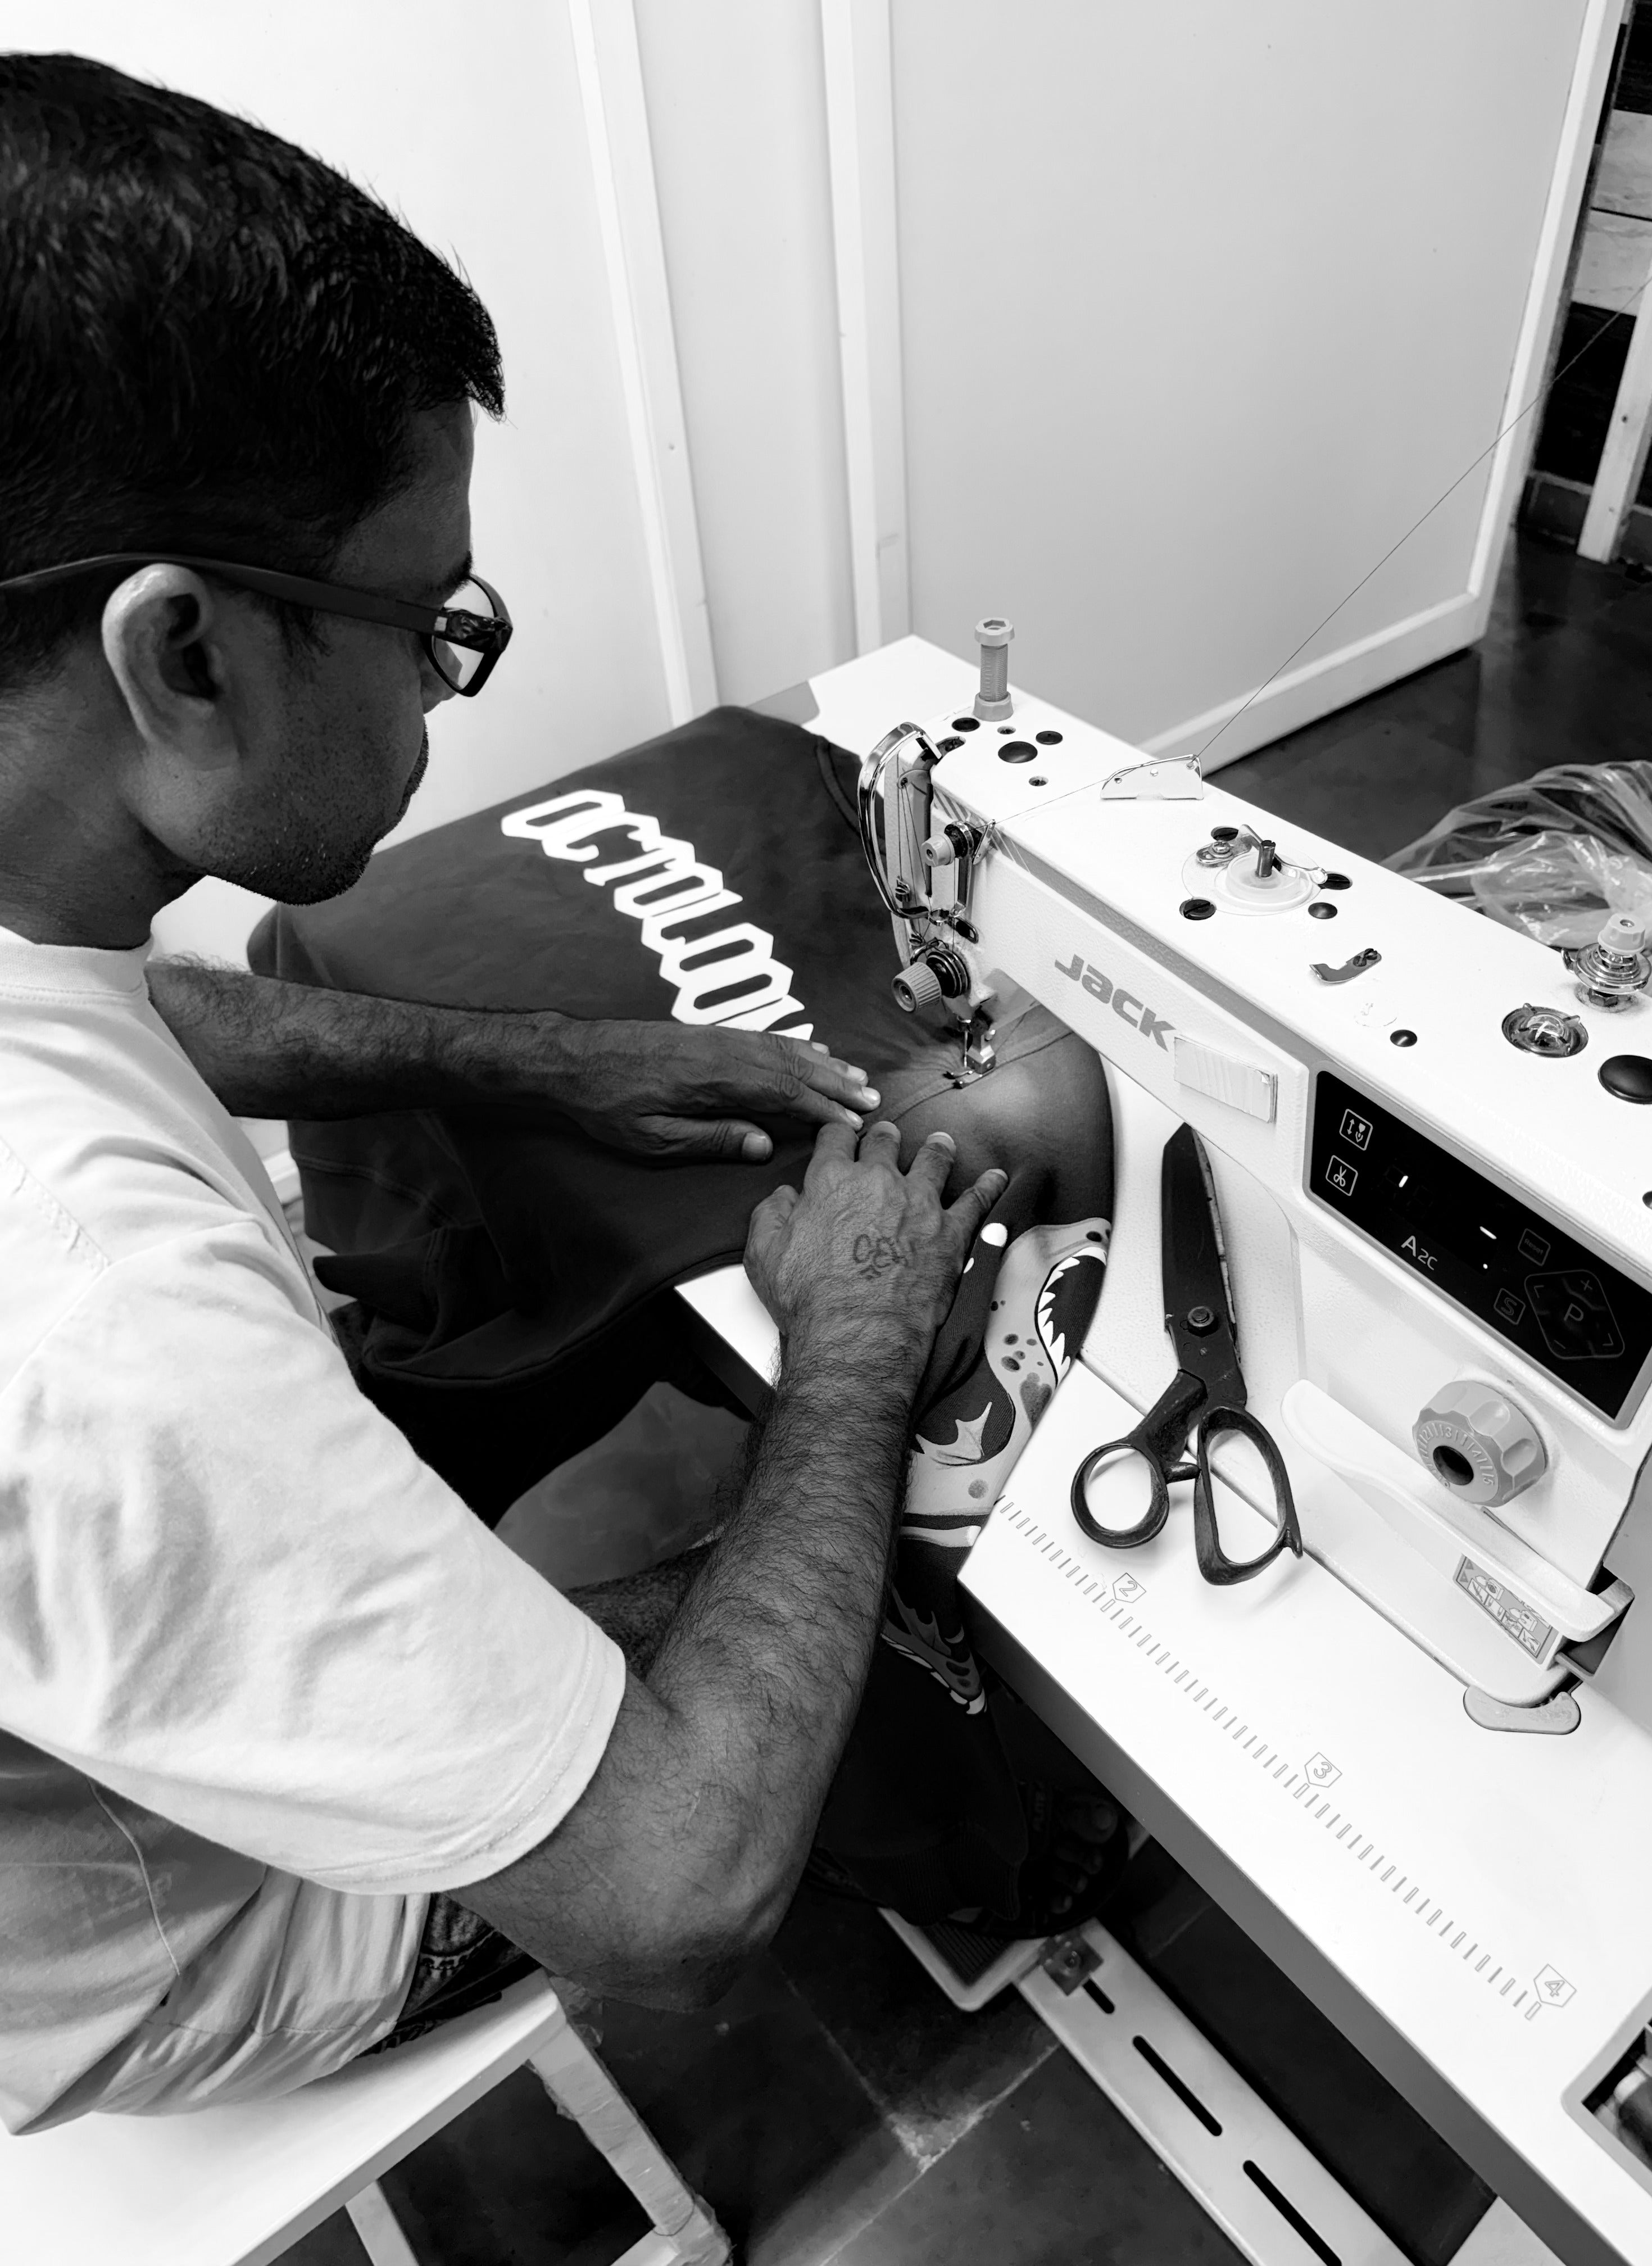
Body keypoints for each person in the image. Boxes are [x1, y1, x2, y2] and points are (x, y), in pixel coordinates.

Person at [0, 54, 1118, 2131]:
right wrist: (856, 1366)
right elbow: (669, 1897)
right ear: (184, 660)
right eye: (433, 622)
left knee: (564, 1329)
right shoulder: (93, 1327)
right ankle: (1011, 1856)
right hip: (190, 1936)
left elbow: (123, 1015)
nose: (443, 674)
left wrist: (548, 1055)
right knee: (840, 1606)